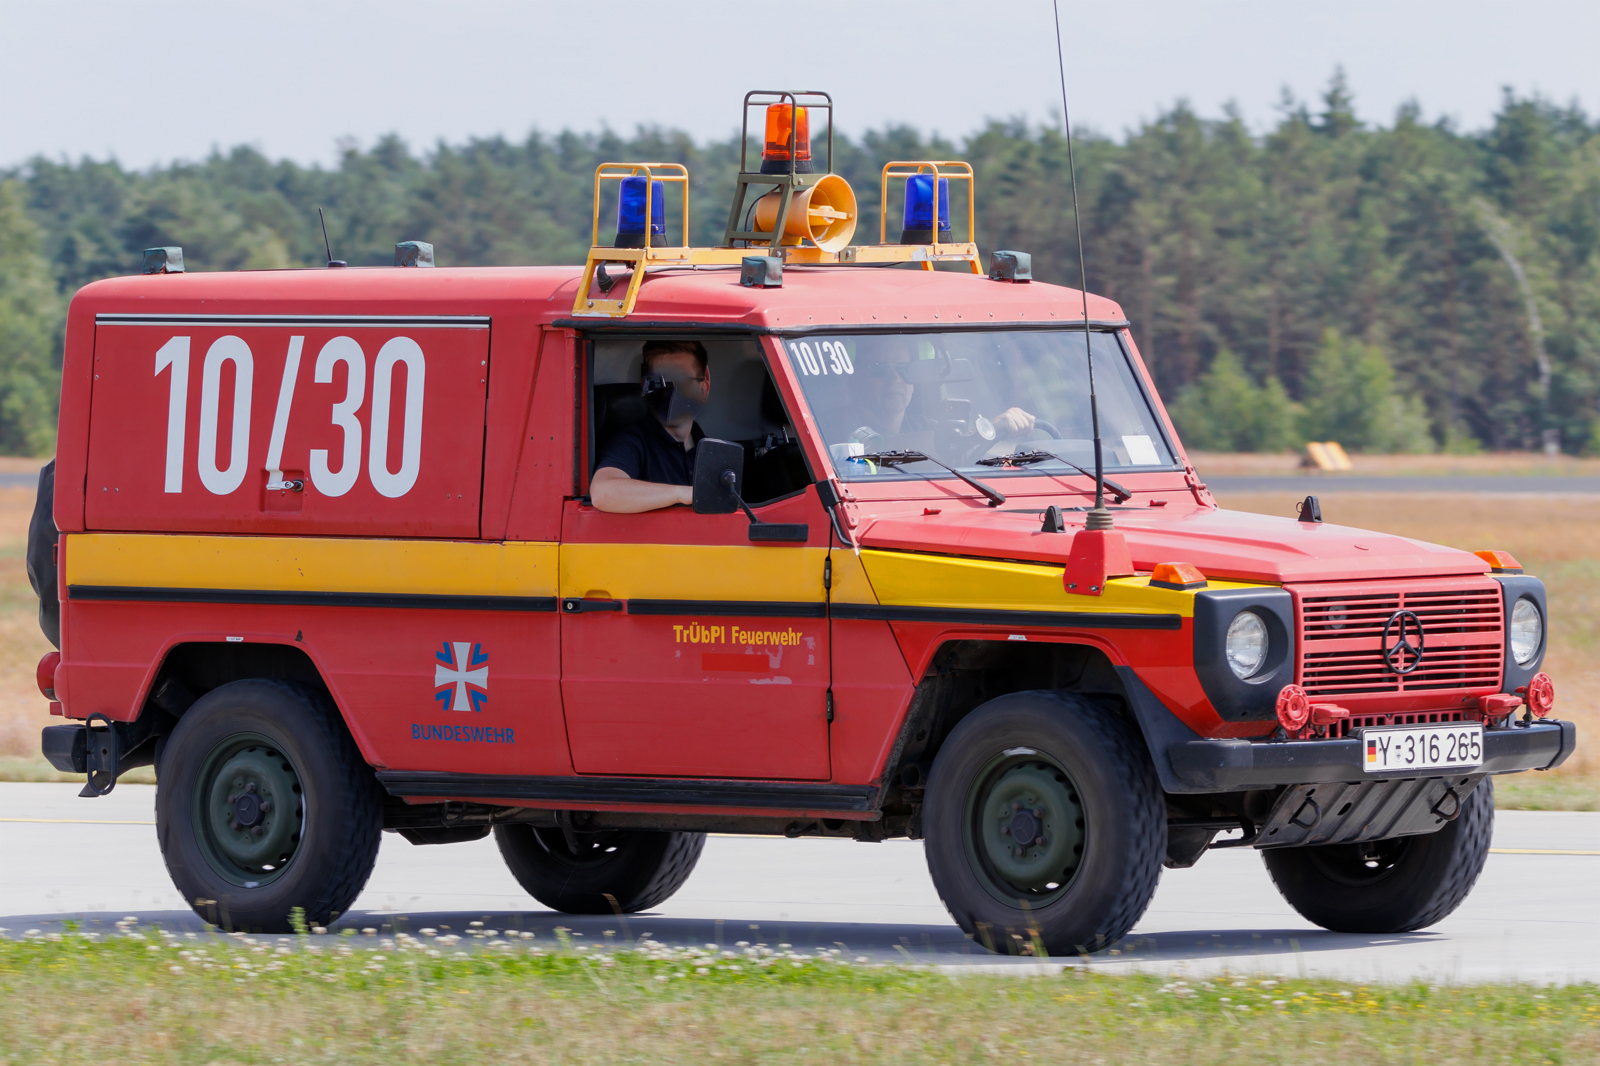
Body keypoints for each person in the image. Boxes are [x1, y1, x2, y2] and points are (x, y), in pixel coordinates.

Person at [832, 335, 1036, 445]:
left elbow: (962, 448)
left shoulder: (927, 429)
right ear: (855, 380)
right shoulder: (834, 435)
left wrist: (993, 428)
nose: (895, 378)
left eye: (903, 369)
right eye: (880, 369)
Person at [591, 339, 711, 513]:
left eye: (681, 380)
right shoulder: (631, 442)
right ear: (645, 386)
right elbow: (603, 492)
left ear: (703, 388)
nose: (670, 391)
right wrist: (682, 494)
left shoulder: (711, 449)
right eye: (660, 381)